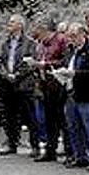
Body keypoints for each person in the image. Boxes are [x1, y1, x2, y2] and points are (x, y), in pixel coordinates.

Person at [59, 23, 89, 170]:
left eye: (74, 36)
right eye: (69, 36)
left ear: (82, 34)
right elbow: (65, 63)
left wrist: (75, 74)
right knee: (73, 127)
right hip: (70, 92)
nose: (71, 39)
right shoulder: (70, 50)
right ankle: (80, 156)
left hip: (87, 95)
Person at [0, 15, 38, 157]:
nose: (9, 24)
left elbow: (30, 62)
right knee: (10, 115)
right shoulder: (5, 43)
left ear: (20, 25)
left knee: (30, 115)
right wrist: (6, 74)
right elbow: (0, 61)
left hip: (24, 84)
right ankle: (12, 143)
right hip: (8, 84)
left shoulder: (30, 43)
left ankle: (35, 146)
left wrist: (17, 75)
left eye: (12, 22)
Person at [31, 19, 69, 162]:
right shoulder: (41, 45)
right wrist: (35, 65)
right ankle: (50, 150)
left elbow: (65, 60)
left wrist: (46, 64)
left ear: (45, 30)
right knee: (49, 119)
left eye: (38, 32)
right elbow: (39, 58)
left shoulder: (60, 40)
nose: (36, 35)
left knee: (62, 119)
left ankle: (68, 151)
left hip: (58, 84)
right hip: (45, 85)